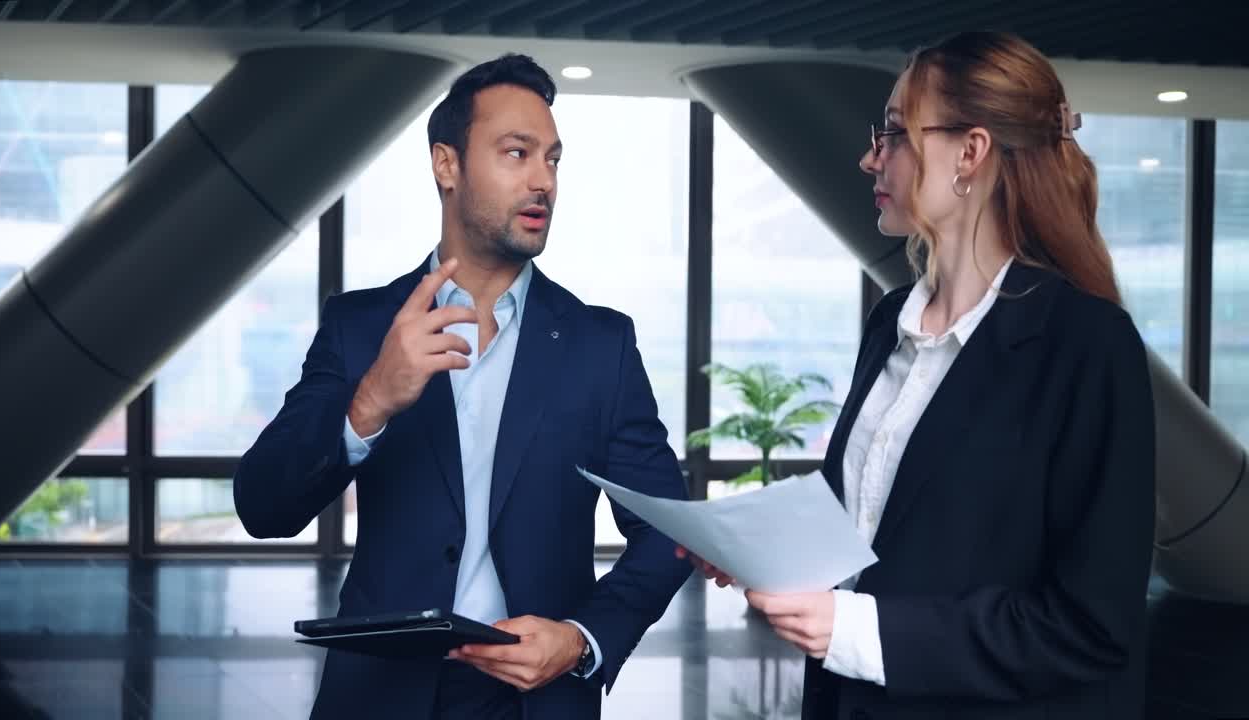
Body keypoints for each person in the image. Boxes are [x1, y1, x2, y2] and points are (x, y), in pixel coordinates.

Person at [681, 30, 1155, 719]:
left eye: (896, 134)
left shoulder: (1088, 345)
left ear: (970, 153)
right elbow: (886, 529)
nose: (870, 156)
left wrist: (860, 633)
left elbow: (1090, 626)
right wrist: (766, 550)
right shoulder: (892, 321)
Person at [234, 54, 692, 720]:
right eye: (517, 153)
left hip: (537, 699)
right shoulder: (362, 326)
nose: (542, 182)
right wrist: (370, 403)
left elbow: (669, 532)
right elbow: (261, 506)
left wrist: (582, 640)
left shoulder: (601, 346)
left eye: (553, 160)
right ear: (446, 166)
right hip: (380, 695)